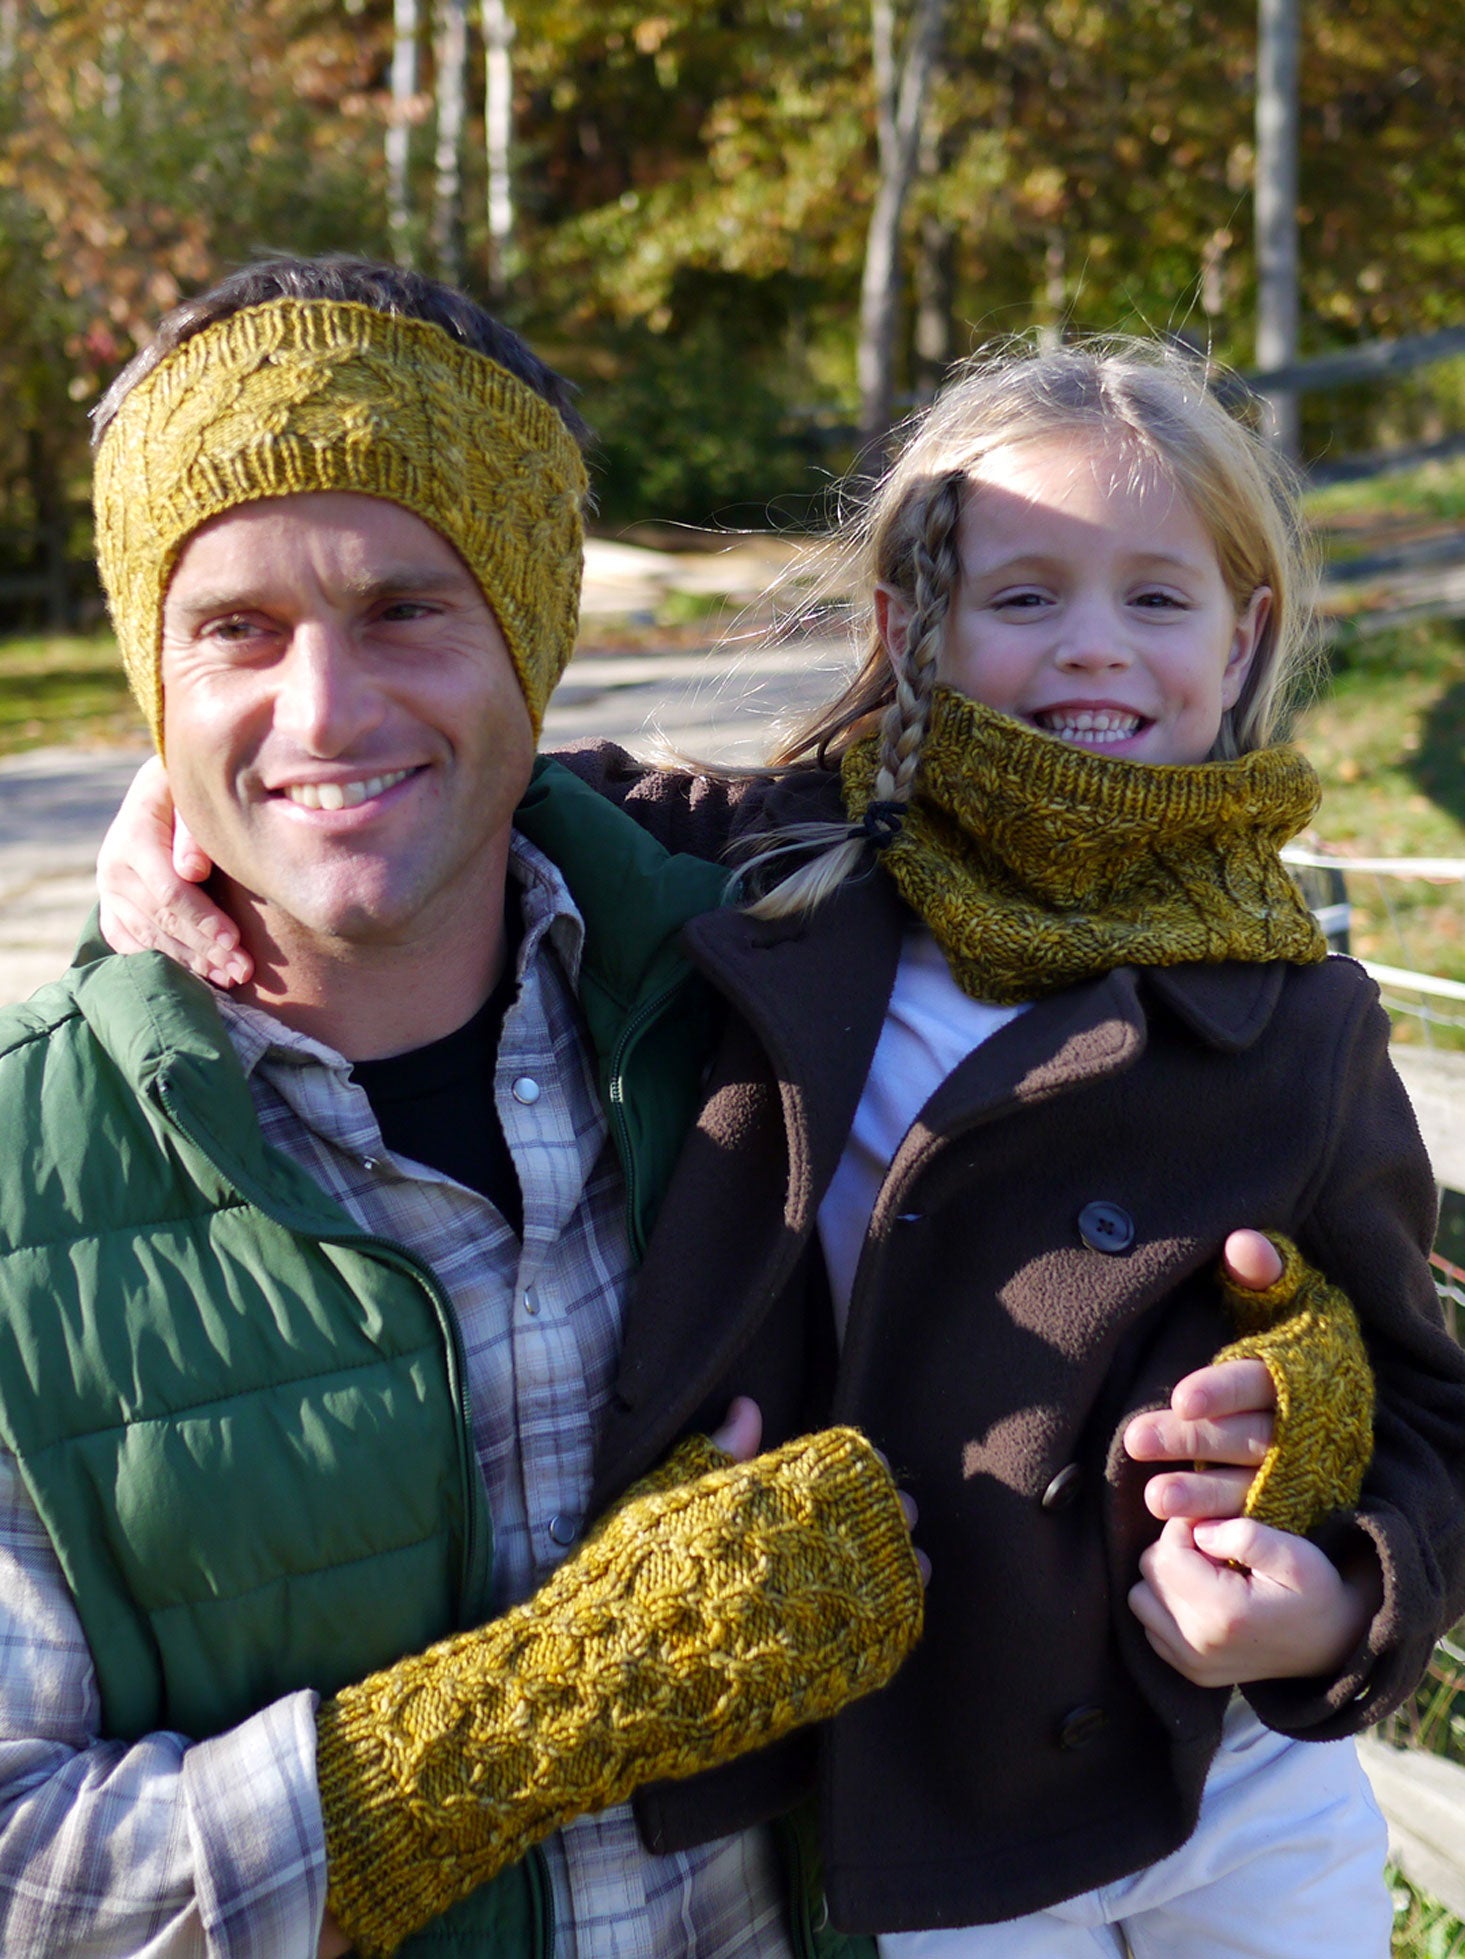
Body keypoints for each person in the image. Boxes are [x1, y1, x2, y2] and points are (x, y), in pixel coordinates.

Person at [78, 273, 1384, 1954]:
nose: (1089, 646)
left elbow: (1430, 1415)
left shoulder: (1301, 1000)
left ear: (1245, 636)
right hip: (926, 1781)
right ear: (913, 627)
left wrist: (1335, 1540)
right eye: (1024, 592)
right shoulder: (771, 866)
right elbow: (413, 783)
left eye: (1154, 595)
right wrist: (174, 796)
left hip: (1232, 1764)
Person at [0, 255, 930, 1959]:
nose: (324, 711)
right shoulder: (16, 1198)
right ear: (156, 688)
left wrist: (1282, 1381)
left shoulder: (761, 1003)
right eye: (235, 631)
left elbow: (1126, 891)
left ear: (531, 634)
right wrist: (537, 1716)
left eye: (405, 609)